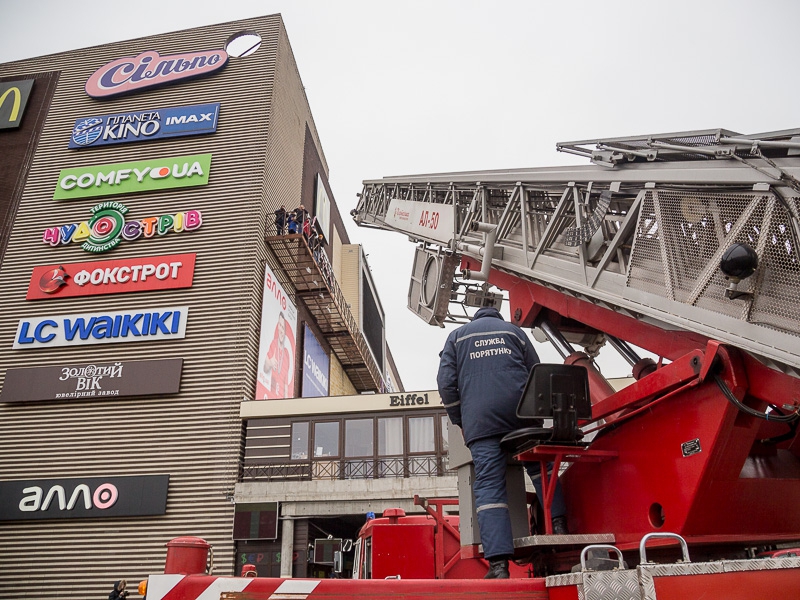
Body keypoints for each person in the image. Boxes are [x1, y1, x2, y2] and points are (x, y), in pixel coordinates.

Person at [437, 306, 568, 580]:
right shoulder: (514, 332)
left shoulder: (457, 337)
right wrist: (535, 417)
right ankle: (558, 527)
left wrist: (460, 419)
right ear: (496, 317)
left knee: (489, 488)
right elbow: (537, 372)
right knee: (540, 470)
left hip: (482, 424)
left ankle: (499, 566)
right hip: (521, 415)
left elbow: (446, 383)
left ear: (475, 319)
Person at [263, 312, 291, 398]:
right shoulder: (274, 344)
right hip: (271, 395)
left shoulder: (286, 354)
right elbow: (265, 368)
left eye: (283, 327)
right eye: (280, 326)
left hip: (280, 403)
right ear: (278, 327)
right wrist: (270, 362)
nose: (281, 330)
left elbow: (286, 387)